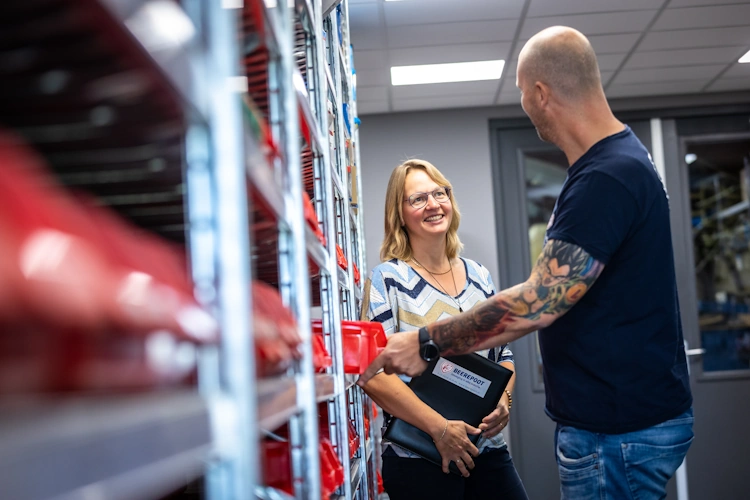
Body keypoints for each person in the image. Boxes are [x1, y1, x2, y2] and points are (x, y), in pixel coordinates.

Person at [359, 26, 694, 500]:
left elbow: (539, 301)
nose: (522, 102)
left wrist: (426, 340)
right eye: (419, 198)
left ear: (540, 93)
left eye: (520, 92)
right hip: (614, 424)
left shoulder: (606, 177)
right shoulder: (616, 164)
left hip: (616, 431)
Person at [359, 159, 528, 500]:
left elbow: (503, 356)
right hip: (418, 454)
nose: (433, 204)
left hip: (484, 447)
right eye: (418, 199)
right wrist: (440, 429)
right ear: (399, 214)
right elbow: (373, 374)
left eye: (440, 193)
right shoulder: (387, 279)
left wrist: (504, 402)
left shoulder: (479, 275)